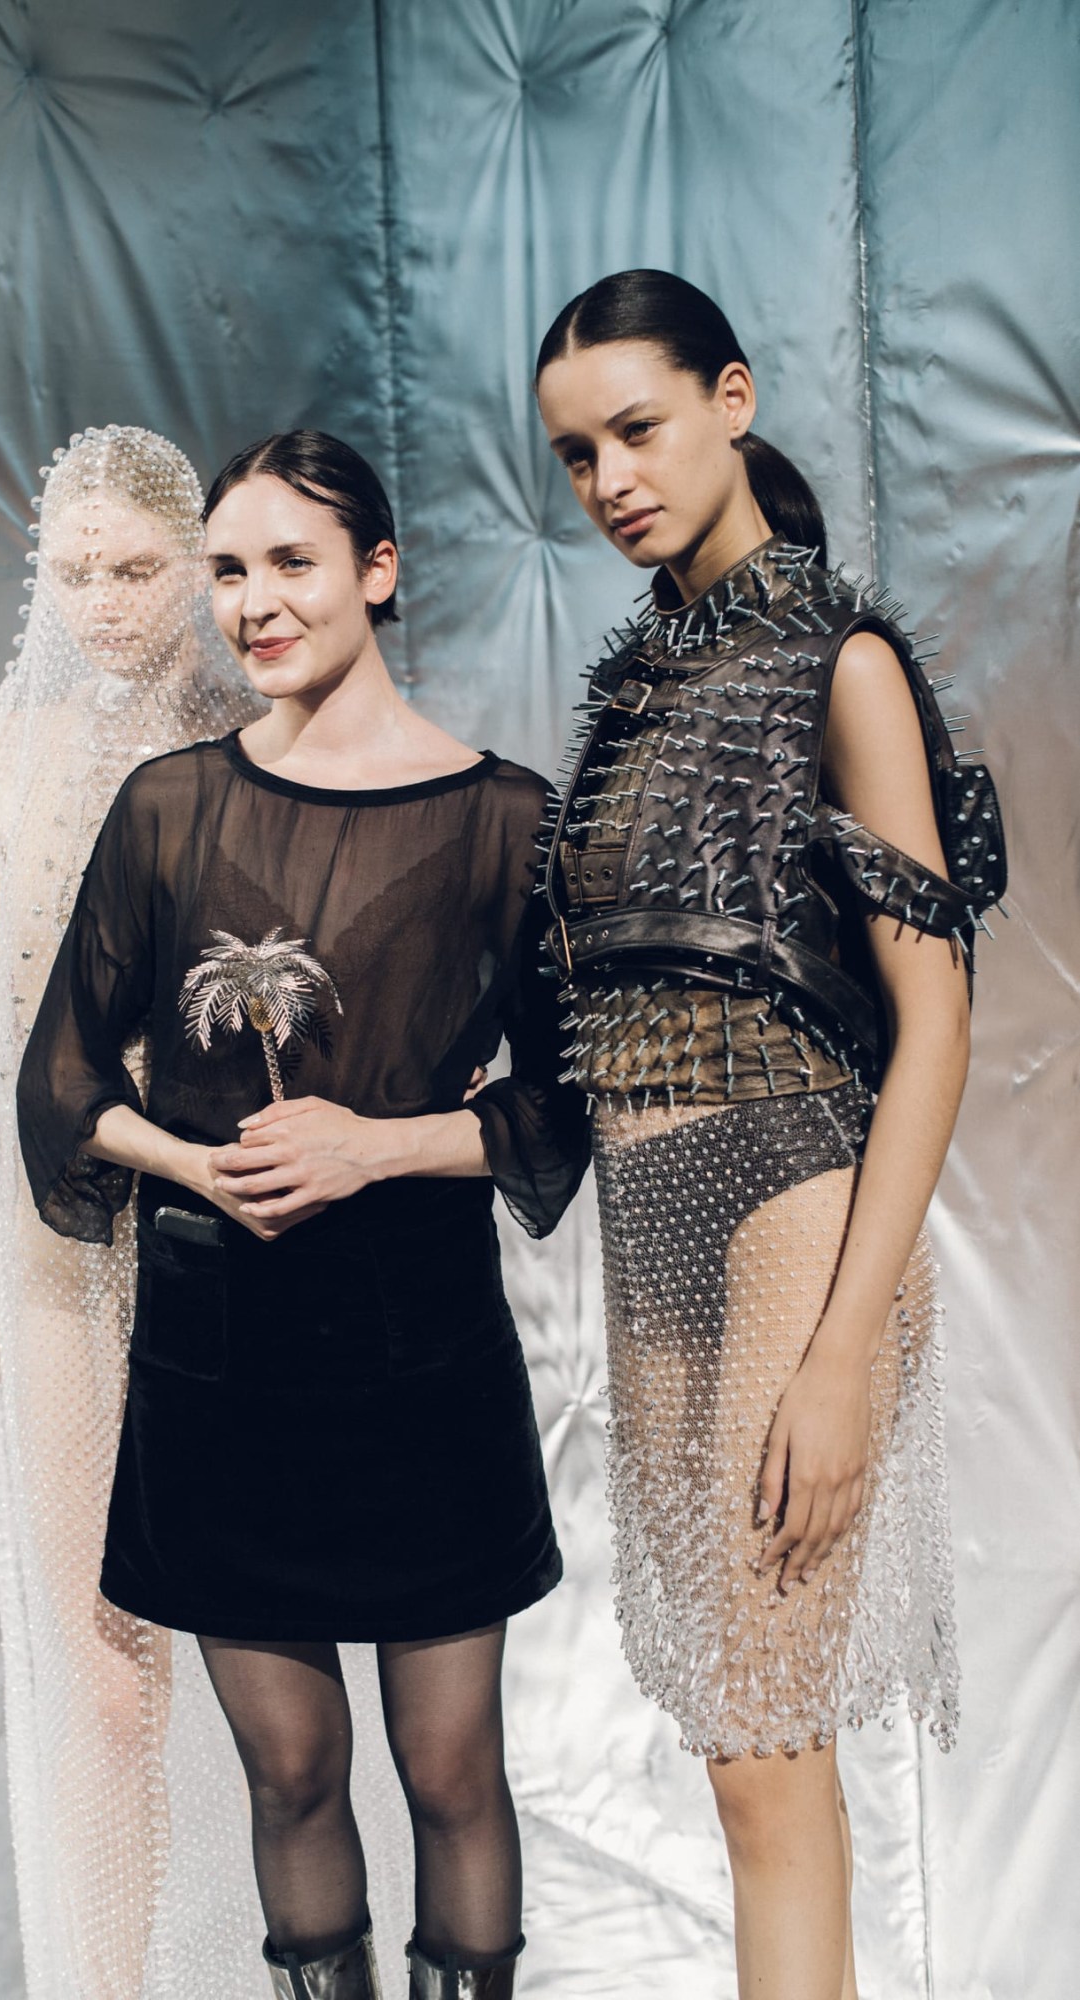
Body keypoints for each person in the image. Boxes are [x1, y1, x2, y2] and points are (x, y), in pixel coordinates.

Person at [16, 429, 589, 2000]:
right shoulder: (167, 809)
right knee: (287, 1775)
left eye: (291, 562)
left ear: (376, 574)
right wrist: (208, 1169)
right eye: (228, 570)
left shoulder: (505, 821)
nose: (254, 601)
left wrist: (374, 1146)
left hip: (420, 1350)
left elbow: (559, 1106)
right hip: (222, 1356)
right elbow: (62, 1082)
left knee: (452, 1771)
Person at [532, 272, 1005, 1999]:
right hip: (649, 1221)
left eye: (636, 430)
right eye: (577, 455)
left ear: (730, 399)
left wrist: (844, 1351)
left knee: (761, 1743)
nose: (609, 480)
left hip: (793, 1197)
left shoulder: (842, 661)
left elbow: (936, 1020)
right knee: (734, 1738)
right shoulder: (628, 701)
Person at [0, 425, 272, 1998]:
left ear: (192, 563)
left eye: (135, 570)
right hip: (41, 1235)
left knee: (255, 1651)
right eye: (70, 572)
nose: (102, 604)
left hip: (212, 1209)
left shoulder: (247, 736)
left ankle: (269, 1959)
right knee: (98, 1664)